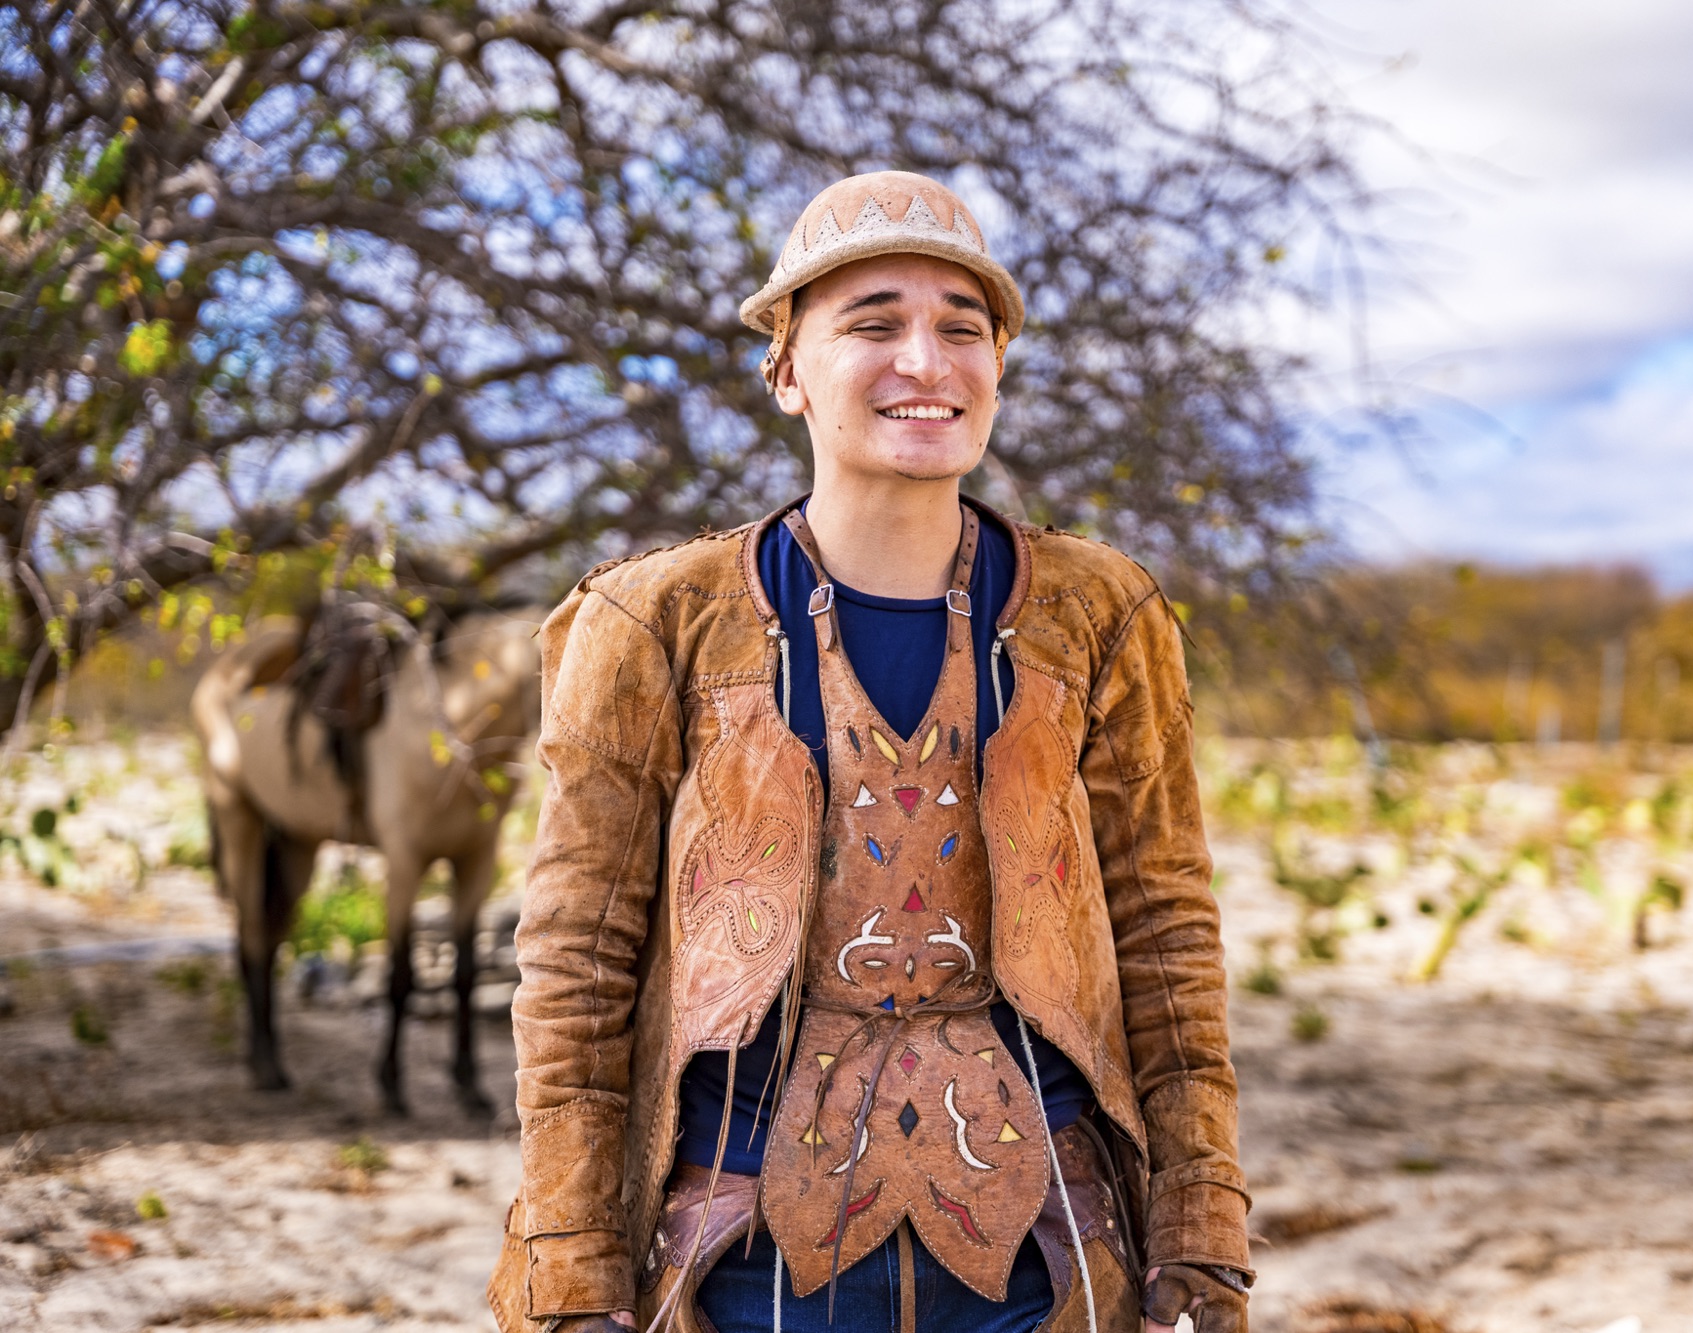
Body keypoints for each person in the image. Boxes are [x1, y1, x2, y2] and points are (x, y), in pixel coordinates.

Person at [487, 171, 1252, 1333]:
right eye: (873, 323)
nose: (925, 362)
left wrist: (1201, 1242)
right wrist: (570, 1275)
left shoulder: (1098, 613)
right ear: (787, 372)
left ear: (998, 366)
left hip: (1051, 1258)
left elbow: (1164, 934)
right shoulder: (655, 620)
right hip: (739, 1262)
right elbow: (577, 965)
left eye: (962, 326)